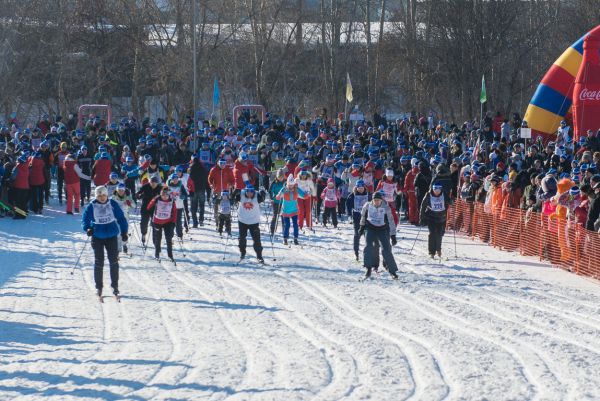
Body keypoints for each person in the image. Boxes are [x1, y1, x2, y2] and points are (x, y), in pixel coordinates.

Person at [82, 185, 129, 299]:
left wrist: (124, 232)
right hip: (97, 236)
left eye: (103, 195)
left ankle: (115, 286)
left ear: (107, 195)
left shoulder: (112, 204)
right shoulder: (92, 206)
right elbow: (85, 220)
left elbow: (121, 219)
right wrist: (88, 228)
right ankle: (99, 287)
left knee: (113, 261)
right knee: (99, 262)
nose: (102, 197)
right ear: (96, 196)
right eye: (99, 195)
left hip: (112, 236)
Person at [358, 191, 399, 280]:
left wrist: (393, 235)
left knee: (386, 249)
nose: (377, 202)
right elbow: (363, 217)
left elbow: (391, 221)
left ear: (381, 200)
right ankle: (368, 268)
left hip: (382, 229)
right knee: (368, 246)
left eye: (378, 200)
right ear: (372, 200)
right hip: (370, 228)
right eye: (375, 200)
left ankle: (392, 271)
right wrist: (361, 227)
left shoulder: (386, 207)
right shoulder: (367, 205)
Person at [233, 184, 266, 262]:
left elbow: (262, 199)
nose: (250, 193)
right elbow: (233, 198)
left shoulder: (257, 196)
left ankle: (259, 256)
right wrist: (234, 192)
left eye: (252, 191)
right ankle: (242, 252)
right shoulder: (241, 194)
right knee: (241, 238)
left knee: (257, 239)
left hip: (254, 221)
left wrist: (263, 194)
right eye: (248, 191)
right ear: (246, 191)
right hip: (242, 220)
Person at [419, 183, 450, 259]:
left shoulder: (444, 194)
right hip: (431, 217)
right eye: (435, 189)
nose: (437, 191)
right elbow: (423, 207)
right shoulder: (428, 195)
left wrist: (451, 201)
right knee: (432, 233)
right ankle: (431, 252)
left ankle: (438, 250)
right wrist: (421, 218)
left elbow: (449, 200)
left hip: (441, 218)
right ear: (432, 189)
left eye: (438, 190)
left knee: (439, 234)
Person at [147, 186, 178, 261]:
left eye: (166, 195)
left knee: (169, 238)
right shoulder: (157, 199)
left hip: (168, 222)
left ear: (168, 195)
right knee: (158, 238)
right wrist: (153, 201)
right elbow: (148, 207)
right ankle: (157, 253)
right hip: (157, 221)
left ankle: (170, 255)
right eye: (163, 195)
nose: (164, 197)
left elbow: (174, 212)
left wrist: (173, 222)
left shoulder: (172, 201)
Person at [275, 175, 306, 245]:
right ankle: (285, 238)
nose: (291, 187)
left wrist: (306, 194)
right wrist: (278, 196)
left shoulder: (296, 189)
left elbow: (303, 194)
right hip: (285, 210)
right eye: (289, 185)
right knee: (287, 225)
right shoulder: (284, 189)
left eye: (292, 185)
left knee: (295, 225)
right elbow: (278, 195)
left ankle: (295, 238)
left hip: (294, 210)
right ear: (287, 184)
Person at [347, 180, 371, 260]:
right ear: (356, 187)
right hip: (356, 217)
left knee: (367, 235)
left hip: (366, 218)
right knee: (357, 234)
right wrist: (349, 215)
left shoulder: (368, 195)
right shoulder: (352, 195)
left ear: (364, 187)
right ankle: (356, 252)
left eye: (361, 188)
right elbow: (348, 205)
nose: (360, 189)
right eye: (358, 188)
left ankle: (368, 252)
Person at [135, 176, 161, 246]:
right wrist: (138, 195)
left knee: (154, 224)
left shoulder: (160, 188)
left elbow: (165, 194)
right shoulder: (145, 186)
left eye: (154, 183)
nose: (153, 184)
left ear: (157, 183)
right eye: (151, 182)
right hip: (145, 207)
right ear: (149, 182)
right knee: (144, 223)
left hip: (155, 208)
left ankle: (155, 241)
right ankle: (143, 234)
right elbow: (138, 194)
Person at [112, 183, 134, 253]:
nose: (121, 191)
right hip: (116, 218)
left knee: (124, 232)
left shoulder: (128, 197)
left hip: (125, 217)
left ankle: (124, 244)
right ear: (117, 190)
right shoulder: (113, 197)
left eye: (122, 190)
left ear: (124, 190)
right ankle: (118, 249)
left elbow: (134, 205)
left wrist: (130, 203)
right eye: (119, 190)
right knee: (117, 232)